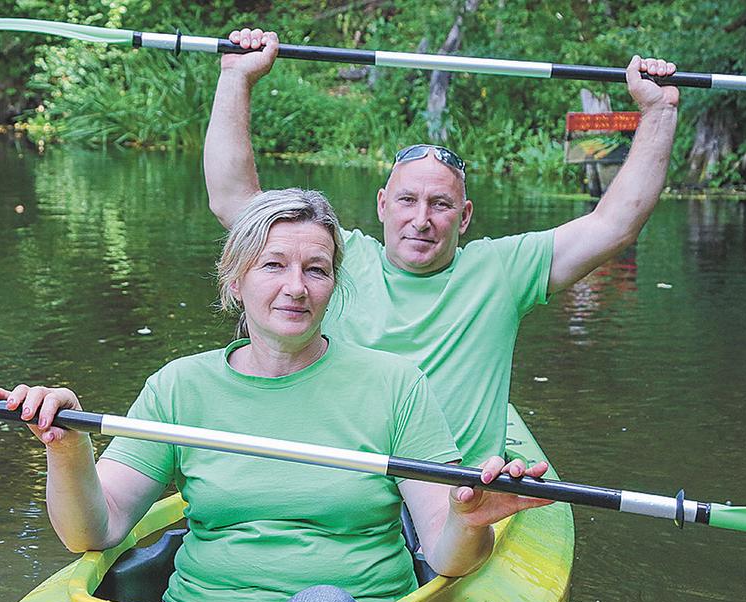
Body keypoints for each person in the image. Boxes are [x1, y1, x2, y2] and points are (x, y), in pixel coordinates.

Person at [0, 189, 551, 602]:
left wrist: (468, 519)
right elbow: (95, 530)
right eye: (273, 265)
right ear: (236, 281)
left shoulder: (396, 385)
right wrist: (68, 447)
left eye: (316, 270)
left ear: (333, 285)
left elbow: (447, 555)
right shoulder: (180, 387)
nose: (297, 287)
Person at [204, 29, 680, 462]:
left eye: (441, 204)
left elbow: (615, 224)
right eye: (407, 200)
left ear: (465, 216)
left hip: (451, 493)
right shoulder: (330, 260)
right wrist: (236, 78)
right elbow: (233, 200)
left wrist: (658, 112)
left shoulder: (502, 271)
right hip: (349, 481)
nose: (422, 220)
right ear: (382, 206)